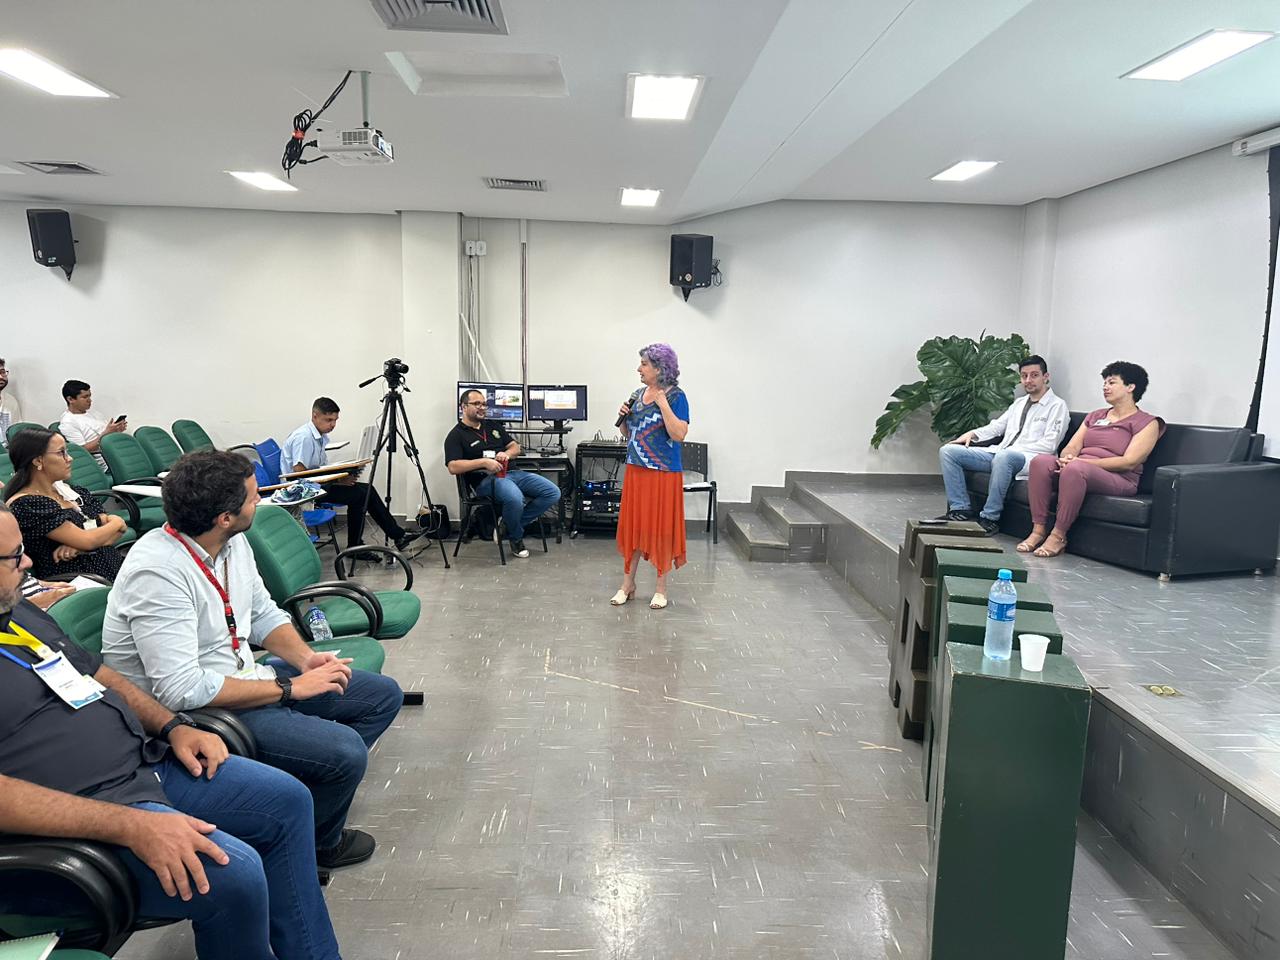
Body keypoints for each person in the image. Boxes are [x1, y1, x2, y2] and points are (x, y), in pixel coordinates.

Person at [0, 502, 343, 960]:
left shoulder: (18, 612)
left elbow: (100, 675)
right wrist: (130, 825)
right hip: (76, 819)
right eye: (14, 556)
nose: (28, 562)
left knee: (287, 800)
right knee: (235, 874)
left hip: (140, 763)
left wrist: (173, 725)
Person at [101, 450, 403, 870]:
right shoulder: (157, 572)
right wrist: (289, 688)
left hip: (242, 675)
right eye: (252, 496)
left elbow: (261, 613)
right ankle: (317, 843)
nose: (259, 500)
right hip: (200, 712)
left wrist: (306, 659)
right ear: (225, 516)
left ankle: (301, 803)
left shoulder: (230, 542)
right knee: (345, 752)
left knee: (381, 696)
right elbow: (181, 690)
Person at [1021, 361, 1165, 559]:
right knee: (1040, 462)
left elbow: (1129, 461)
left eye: (1112, 382)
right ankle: (1038, 530)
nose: (1105, 387)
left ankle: (1058, 535)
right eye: (1104, 383)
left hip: (1119, 478)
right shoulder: (1096, 416)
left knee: (1075, 470)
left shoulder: (1147, 422)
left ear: (1131, 387)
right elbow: (1072, 446)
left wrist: (1080, 463)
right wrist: (1068, 457)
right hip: (1079, 470)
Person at [935, 355, 1070, 535]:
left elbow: (1049, 444)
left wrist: (1012, 451)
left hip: (1030, 459)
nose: (1028, 380)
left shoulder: (1057, 406)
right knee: (948, 452)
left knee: (1005, 457)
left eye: (1034, 375)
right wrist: (973, 434)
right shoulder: (1019, 403)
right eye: (1024, 376)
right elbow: (997, 426)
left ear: (1046, 377)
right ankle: (960, 509)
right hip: (1001, 454)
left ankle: (990, 518)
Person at [280, 397, 422, 555]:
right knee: (359, 496)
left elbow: (318, 469)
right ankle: (358, 546)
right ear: (315, 416)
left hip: (315, 484)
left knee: (367, 489)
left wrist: (342, 473)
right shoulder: (304, 438)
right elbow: (299, 473)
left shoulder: (320, 437)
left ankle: (395, 536)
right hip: (302, 490)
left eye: (335, 420)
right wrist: (337, 480)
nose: (333, 425)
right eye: (328, 420)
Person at [612, 343, 690, 610]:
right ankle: (627, 585)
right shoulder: (637, 394)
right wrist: (623, 419)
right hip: (636, 470)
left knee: (661, 529)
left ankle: (660, 589)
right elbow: (629, 434)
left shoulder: (677, 396)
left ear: (659, 368)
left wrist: (663, 404)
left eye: (644, 364)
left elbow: (679, 434)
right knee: (634, 527)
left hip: (663, 473)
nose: (639, 369)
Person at [444, 390, 561, 559]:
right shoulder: (456, 435)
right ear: (463, 407)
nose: (482, 407)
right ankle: (516, 538)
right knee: (515, 498)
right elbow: (453, 466)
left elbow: (515, 447)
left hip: (513, 473)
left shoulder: (493, 426)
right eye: (477, 404)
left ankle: (507, 524)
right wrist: (483, 462)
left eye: (484, 404)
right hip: (486, 480)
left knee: (552, 492)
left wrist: (506, 454)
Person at [3, 428, 127, 581]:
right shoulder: (28, 504)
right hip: (80, 580)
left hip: (112, 568)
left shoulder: (71, 492)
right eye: (61, 452)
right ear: (38, 461)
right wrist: (116, 522)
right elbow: (90, 539)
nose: (70, 458)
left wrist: (80, 545)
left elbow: (114, 530)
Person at [58, 379, 127, 469]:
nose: (90, 400)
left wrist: (116, 430)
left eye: (89, 396)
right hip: (106, 462)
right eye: (85, 397)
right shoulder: (68, 423)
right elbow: (82, 450)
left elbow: (106, 433)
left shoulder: (94, 413)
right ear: (70, 399)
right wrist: (107, 434)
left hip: (117, 451)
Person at [0, 357, 22, 445]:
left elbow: (17, 430)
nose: (1, 376)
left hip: (9, 449)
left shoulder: (11, 400)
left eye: (2, 372)